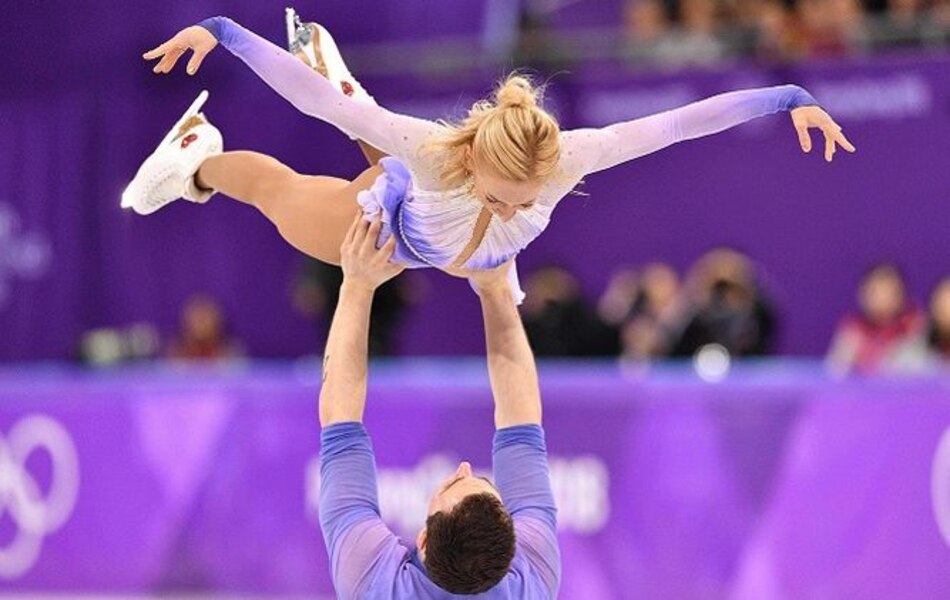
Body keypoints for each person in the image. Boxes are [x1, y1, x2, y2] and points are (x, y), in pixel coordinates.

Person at [124, 15, 855, 304]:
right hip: (403, 231)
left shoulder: (570, 158)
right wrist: (225, 33)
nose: (511, 206)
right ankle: (201, 158)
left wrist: (789, 95)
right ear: (473, 163)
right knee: (285, 201)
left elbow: (678, 126)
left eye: (522, 199)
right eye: (500, 194)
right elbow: (319, 110)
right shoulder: (438, 155)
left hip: (468, 249)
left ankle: (339, 72)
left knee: (395, 152)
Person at [316, 213, 559, 598]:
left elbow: (341, 429)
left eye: (451, 483)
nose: (462, 468)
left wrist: (358, 287)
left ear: (425, 540)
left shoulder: (374, 580)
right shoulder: (529, 583)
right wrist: (496, 291)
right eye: (479, 479)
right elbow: (521, 428)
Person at [826, 263, 926, 375]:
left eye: (888, 292)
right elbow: (836, 371)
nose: (881, 298)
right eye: (874, 292)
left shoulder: (917, 328)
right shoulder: (853, 329)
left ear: (901, 294)